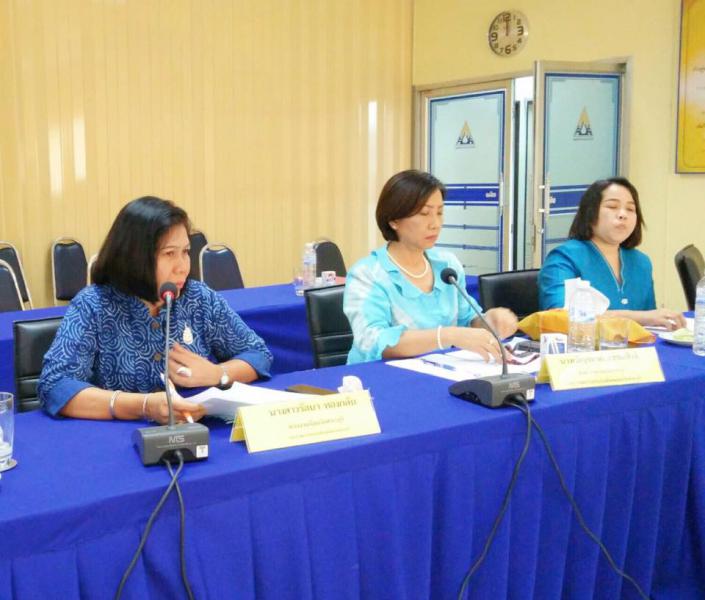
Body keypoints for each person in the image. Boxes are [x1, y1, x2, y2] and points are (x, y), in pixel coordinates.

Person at [38, 196, 273, 422]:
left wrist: (218, 374)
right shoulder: (94, 305)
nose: (182, 267)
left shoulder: (198, 298)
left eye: (185, 252)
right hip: (119, 437)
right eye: (170, 254)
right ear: (135, 257)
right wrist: (144, 406)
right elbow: (55, 385)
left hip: (196, 429)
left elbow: (257, 354)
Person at [343, 169, 518, 364]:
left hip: (442, 371)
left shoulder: (447, 265)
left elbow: (466, 320)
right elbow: (372, 341)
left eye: (440, 212)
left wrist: (489, 322)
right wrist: (446, 336)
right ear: (394, 220)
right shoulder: (367, 274)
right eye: (424, 213)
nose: (435, 224)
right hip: (379, 376)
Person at [538, 177, 686, 330]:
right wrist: (641, 317)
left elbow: (652, 324)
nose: (623, 214)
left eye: (630, 209)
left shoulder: (641, 262)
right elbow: (560, 317)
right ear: (590, 213)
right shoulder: (563, 259)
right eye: (612, 206)